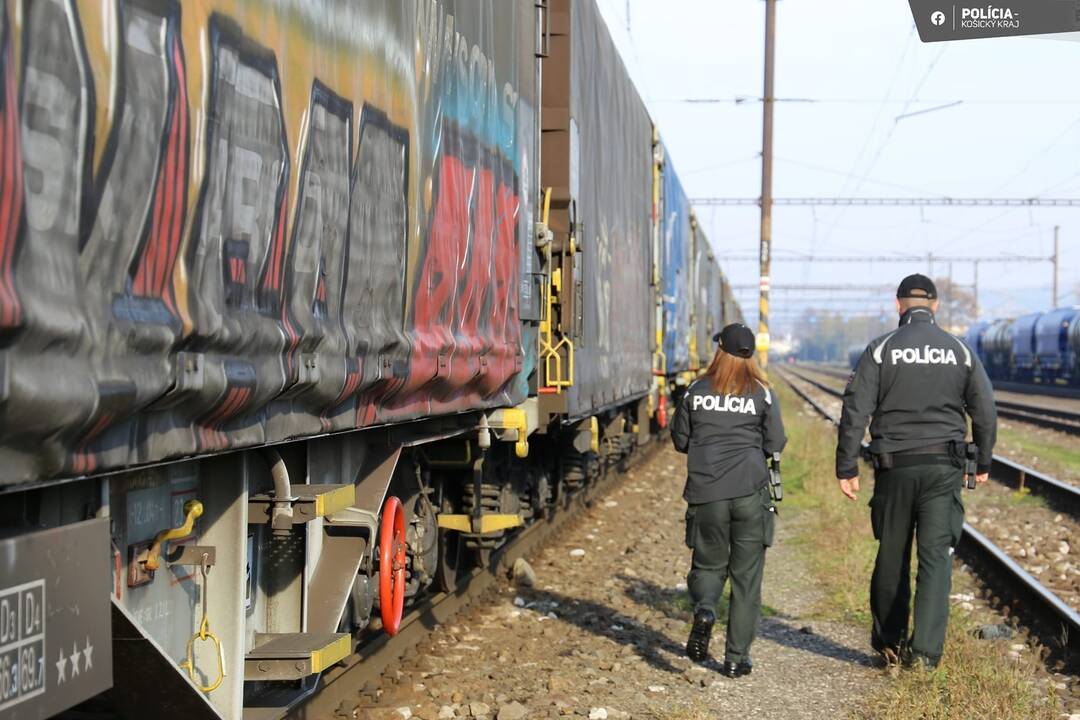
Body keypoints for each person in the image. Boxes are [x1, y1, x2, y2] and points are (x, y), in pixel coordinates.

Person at [836, 274, 997, 669]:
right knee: (936, 558)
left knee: (892, 555)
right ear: (936, 306)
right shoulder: (959, 351)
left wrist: (847, 465)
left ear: (898, 304)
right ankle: (924, 655)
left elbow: (856, 411)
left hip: (895, 469)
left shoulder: (881, 349)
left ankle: (889, 642)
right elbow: (986, 411)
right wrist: (985, 461)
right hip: (944, 468)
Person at [671, 322, 786, 677]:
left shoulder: (695, 391)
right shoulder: (762, 393)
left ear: (719, 350)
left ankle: (706, 608)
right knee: (746, 578)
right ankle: (736, 658)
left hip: (707, 494)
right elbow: (775, 442)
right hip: (750, 492)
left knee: (707, 565)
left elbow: (680, 440)